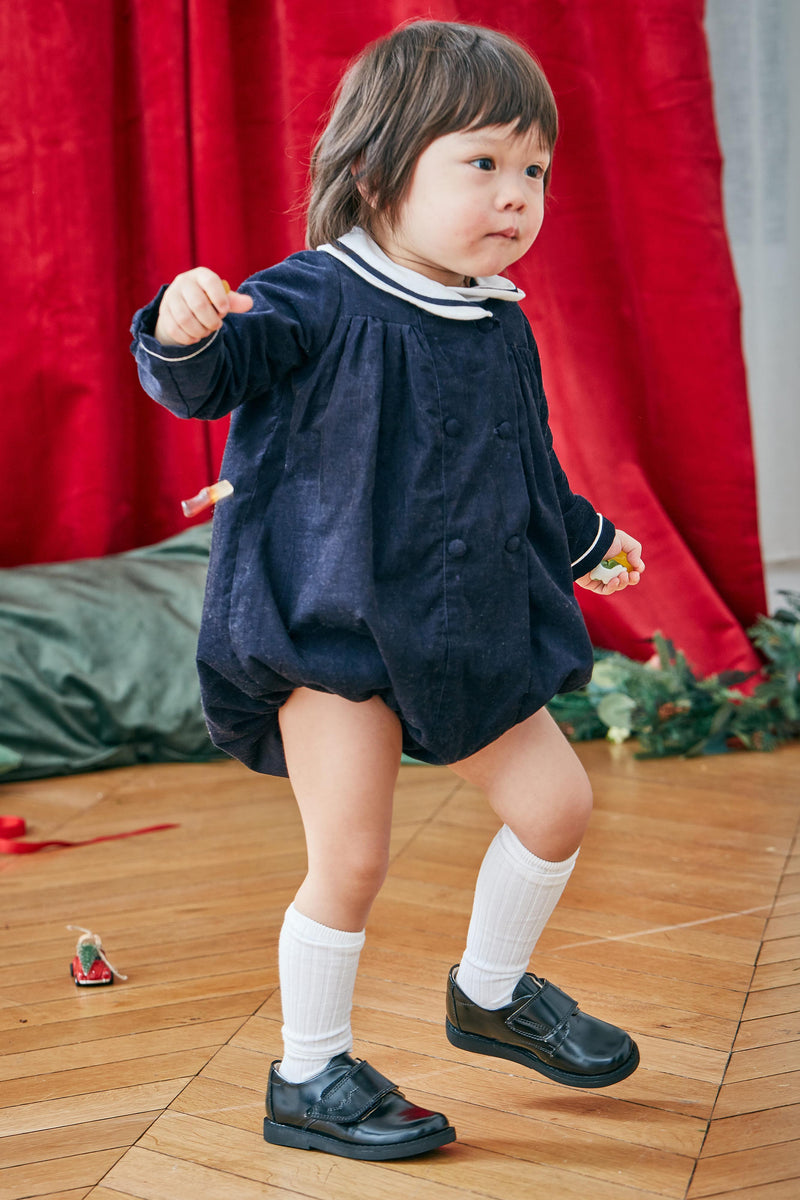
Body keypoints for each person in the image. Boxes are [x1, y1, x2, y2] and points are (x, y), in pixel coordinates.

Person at [131, 19, 645, 1162]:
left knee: (557, 807)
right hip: (329, 629)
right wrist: (181, 332)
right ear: (374, 171)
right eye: (482, 163)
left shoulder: (493, 320)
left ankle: (490, 993)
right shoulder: (314, 296)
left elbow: (520, 467)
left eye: (534, 172)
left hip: (459, 621)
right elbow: (217, 375)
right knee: (351, 858)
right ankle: (307, 1076)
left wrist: (582, 539)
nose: (515, 194)